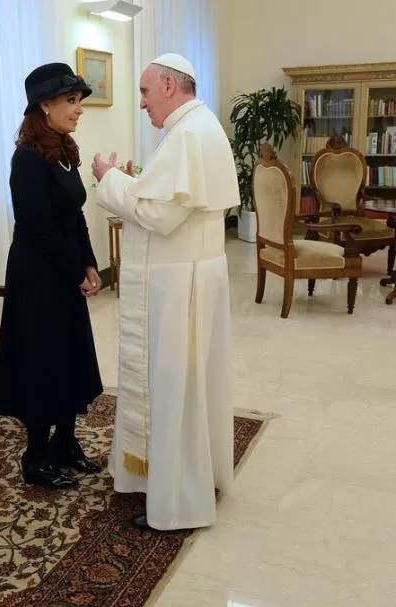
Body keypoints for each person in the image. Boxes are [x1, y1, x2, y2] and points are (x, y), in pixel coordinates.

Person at [91, 53, 240, 531]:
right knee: (190, 383)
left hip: (180, 285)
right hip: (194, 274)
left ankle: (178, 497)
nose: (141, 103)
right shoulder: (199, 127)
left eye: (144, 91)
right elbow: (172, 202)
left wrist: (108, 178)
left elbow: (160, 217)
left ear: (171, 87)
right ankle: (192, 473)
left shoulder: (187, 134)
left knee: (174, 383)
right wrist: (137, 183)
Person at [0, 62, 104, 490]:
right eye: (71, 101)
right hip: (38, 280)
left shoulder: (63, 151)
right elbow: (38, 230)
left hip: (65, 272)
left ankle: (65, 443)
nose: (78, 110)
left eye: (78, 101)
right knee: (43, 365)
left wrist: (90, 264)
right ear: (45, 105)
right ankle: (35, 456)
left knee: (70, 359)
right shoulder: (27, 159)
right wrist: (76, 270)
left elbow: (74, 217)